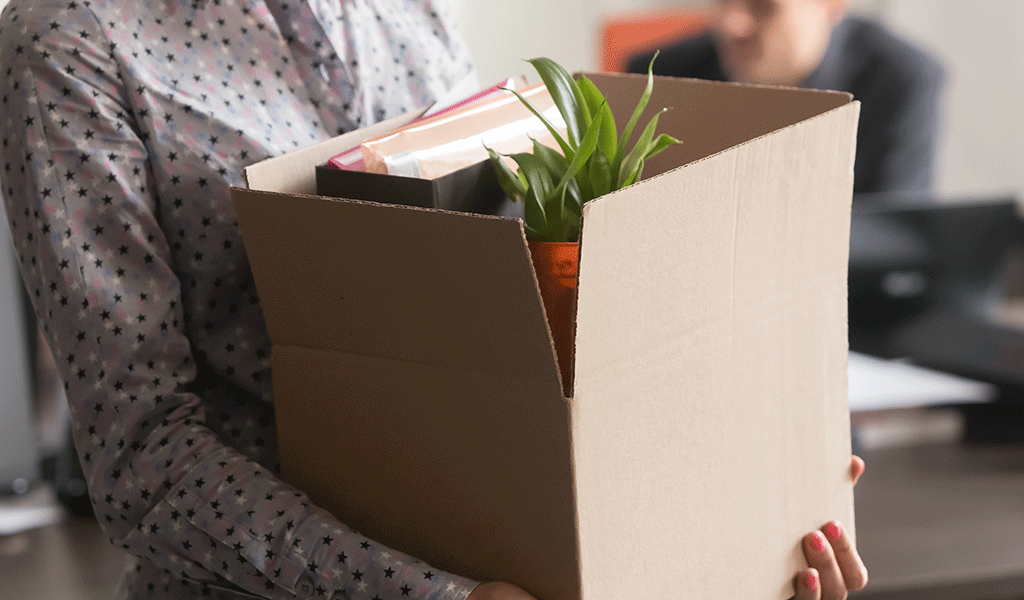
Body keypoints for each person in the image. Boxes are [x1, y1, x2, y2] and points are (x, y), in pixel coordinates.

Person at [0, 0, 867, 598]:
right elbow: (143, 464)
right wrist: (443, 596)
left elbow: (501, 316)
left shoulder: (407, 8)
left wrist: (742, 510)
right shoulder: (71, 40)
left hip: (510, 562)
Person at [627, 0, 945, 196]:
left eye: (764, 6)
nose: (731, 24)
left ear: (832, 5)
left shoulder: (900, 79)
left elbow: (896, 236)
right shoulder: (660, 74)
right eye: (723, 1)